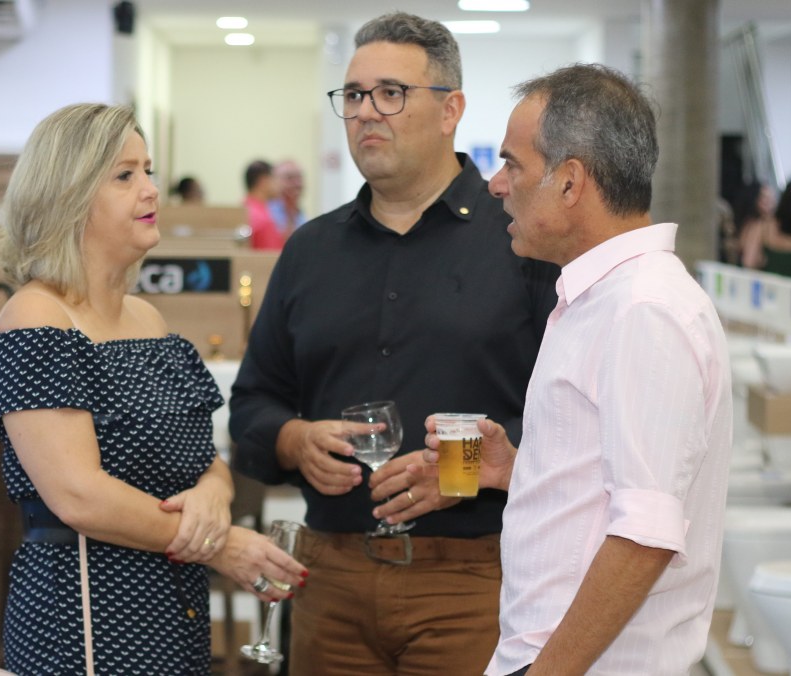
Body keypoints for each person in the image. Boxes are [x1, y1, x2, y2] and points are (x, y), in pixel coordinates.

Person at [229, 12, 559, 675]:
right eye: (354, 95)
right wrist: (293, 440)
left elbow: (571, 411)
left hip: (474, 578)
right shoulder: (310, 251)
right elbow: (252, 405)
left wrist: (461, 469)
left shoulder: (520, 240)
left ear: (450, 110)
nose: (365, 113)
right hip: (329, 578)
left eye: (390, 93)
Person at [417, 63, 733, 676]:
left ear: (569, 182)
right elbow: (609, 486)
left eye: (512, 165)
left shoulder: (643, 310)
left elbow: (644, 536)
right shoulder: (603, 299)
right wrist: (520, 469)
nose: (495, 185)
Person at [0, 103, 305, 675]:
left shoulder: (148, 320)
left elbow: (206, 463)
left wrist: (212, 494)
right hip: (82, 620)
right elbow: (78, 495)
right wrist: (218, 543)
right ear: (69, 197)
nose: (151, 189)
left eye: (149, 170)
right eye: (125, 175)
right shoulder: (35, 317)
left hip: (171, 610)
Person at [243, 159, 284, 251]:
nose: (279, 185)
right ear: (263, 181)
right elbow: (272, 256)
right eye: (275, 179)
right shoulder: (263, 221)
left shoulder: (241, 210)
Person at [735, 179, 776, 269]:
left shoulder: (762, 223)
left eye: (771, 198)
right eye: (764, 198)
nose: (769, 203)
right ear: (754, 199)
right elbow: (748, 262)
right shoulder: (756, 224)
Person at [267, 159, 307, 237]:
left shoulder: (300, 214)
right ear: (275, 181)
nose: (297, 183)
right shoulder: (267, 211)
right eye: (290, 178)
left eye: (299, 178)